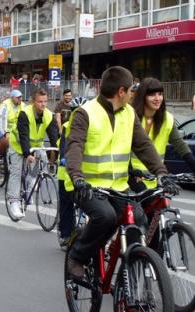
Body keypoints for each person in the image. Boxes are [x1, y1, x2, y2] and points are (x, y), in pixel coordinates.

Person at [65, 66, 178, 279]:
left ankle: (129, 269)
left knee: (138, 218)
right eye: (131, 91)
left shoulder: (128, 113)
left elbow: (143, 145)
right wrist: (77, 178)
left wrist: (161, 173)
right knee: (105, 217)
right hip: (87, 185)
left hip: (118, 186)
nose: (132, 95)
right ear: (121, 92)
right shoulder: (86, 112)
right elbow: (75, 147)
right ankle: (77, 257)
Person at [129, 77, 195, 191]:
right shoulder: (129, 116)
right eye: (152, 94)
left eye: (160, 94)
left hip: (156, 178)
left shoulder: (167, 118)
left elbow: (180, 145)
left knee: (163, 206)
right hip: (131, 178)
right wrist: (130, 171)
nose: (157, 98)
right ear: (142, 96)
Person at [6, 88, 58, 219]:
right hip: (18, 145)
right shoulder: (25, 113)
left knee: (44, 161)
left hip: (36, 144)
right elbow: (23, 136)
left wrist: (58, 152)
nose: (43, 104)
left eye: (45, 101)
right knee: (16, 172)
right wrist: (27, 154)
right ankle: (13, 201)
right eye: (40, 101)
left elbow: (54, 137)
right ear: (33, 102)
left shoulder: (48, 115)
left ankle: (30, 185)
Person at [57, 96, 87, 246]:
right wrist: (64, 157)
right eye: (76, 111)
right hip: (66, 171)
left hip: (85, 171)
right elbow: (64, 146)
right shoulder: (67, 126)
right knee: (66, 203)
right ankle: (65, 234)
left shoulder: (92, 125)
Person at [0, 89, 26, 156]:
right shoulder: (5, 104)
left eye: (21, 97)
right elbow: (2, 119)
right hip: (0, 128)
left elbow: (27, 118)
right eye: (17, 97)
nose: (20, 99)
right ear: (12, 98)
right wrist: (5, 132)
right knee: (6, 141)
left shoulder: (23, 105)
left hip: (14, 130)